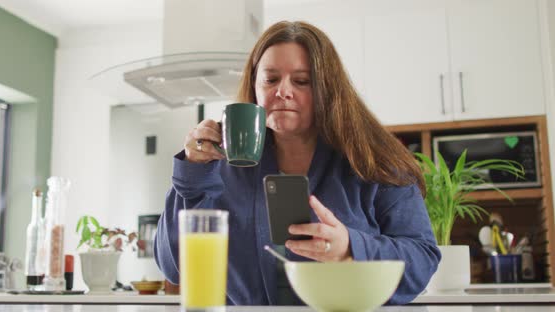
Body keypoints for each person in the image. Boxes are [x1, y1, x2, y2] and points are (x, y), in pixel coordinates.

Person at [154, 21, 441, 305]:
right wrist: (192, 172)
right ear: (254, 86)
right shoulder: (219, 165)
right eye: (271, 79)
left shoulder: (373, 160)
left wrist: (350, 249)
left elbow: (422, 260)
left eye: (301, 81)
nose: (283, 91)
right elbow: (175, 267)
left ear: (328, 90)